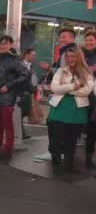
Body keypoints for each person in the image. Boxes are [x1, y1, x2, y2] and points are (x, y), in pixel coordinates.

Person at [48, 46, 95, 174]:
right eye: (68, 56)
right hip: (59, 108)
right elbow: (54, 88)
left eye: (73, 56)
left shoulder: (87, 73)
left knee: (72, 140)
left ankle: (69, 165)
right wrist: (74, 86)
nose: (70, 59)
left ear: (79, 57)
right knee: (56, 140)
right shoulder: (60, 71)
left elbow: (87, 90)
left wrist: (66, 89)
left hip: (77, 110)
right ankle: (56, 164)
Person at [35, 28, 78, 163]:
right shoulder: (64, 52)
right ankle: (58, 152)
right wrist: (49, 69)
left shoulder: (70, 53)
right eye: (60, 37)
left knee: (56, 124)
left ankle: (56, 152)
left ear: (72, 38)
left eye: (64, 37)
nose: (61, 39)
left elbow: (65, 73)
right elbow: (60, 72)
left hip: (64, 95)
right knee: (59, 124)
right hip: (62, 93)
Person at [0, 35, 30, 159]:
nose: (2, 46)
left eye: (5, 43)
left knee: (7, 125)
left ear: (11, 45)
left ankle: (7, 149)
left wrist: (9, 86)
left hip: (6, 98)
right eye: (1, 44)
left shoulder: (14, 60)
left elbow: (25, 74)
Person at [82, 30, 96, 167]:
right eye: (87, 40)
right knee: (89, 128)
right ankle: (88, 157)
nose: (89, 42)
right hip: (85, 95)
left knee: (93, 125)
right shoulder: (81, 55)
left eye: (91, 40)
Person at [20, 48, 38, 139]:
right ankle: (21, 133)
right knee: (21, 113)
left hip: (29, 92)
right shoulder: (20, 65)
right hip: (22, 93)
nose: (34, 57)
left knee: (23, 113)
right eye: (33, 55)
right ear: (27, 55)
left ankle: (21, 132)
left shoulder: (31, 66)